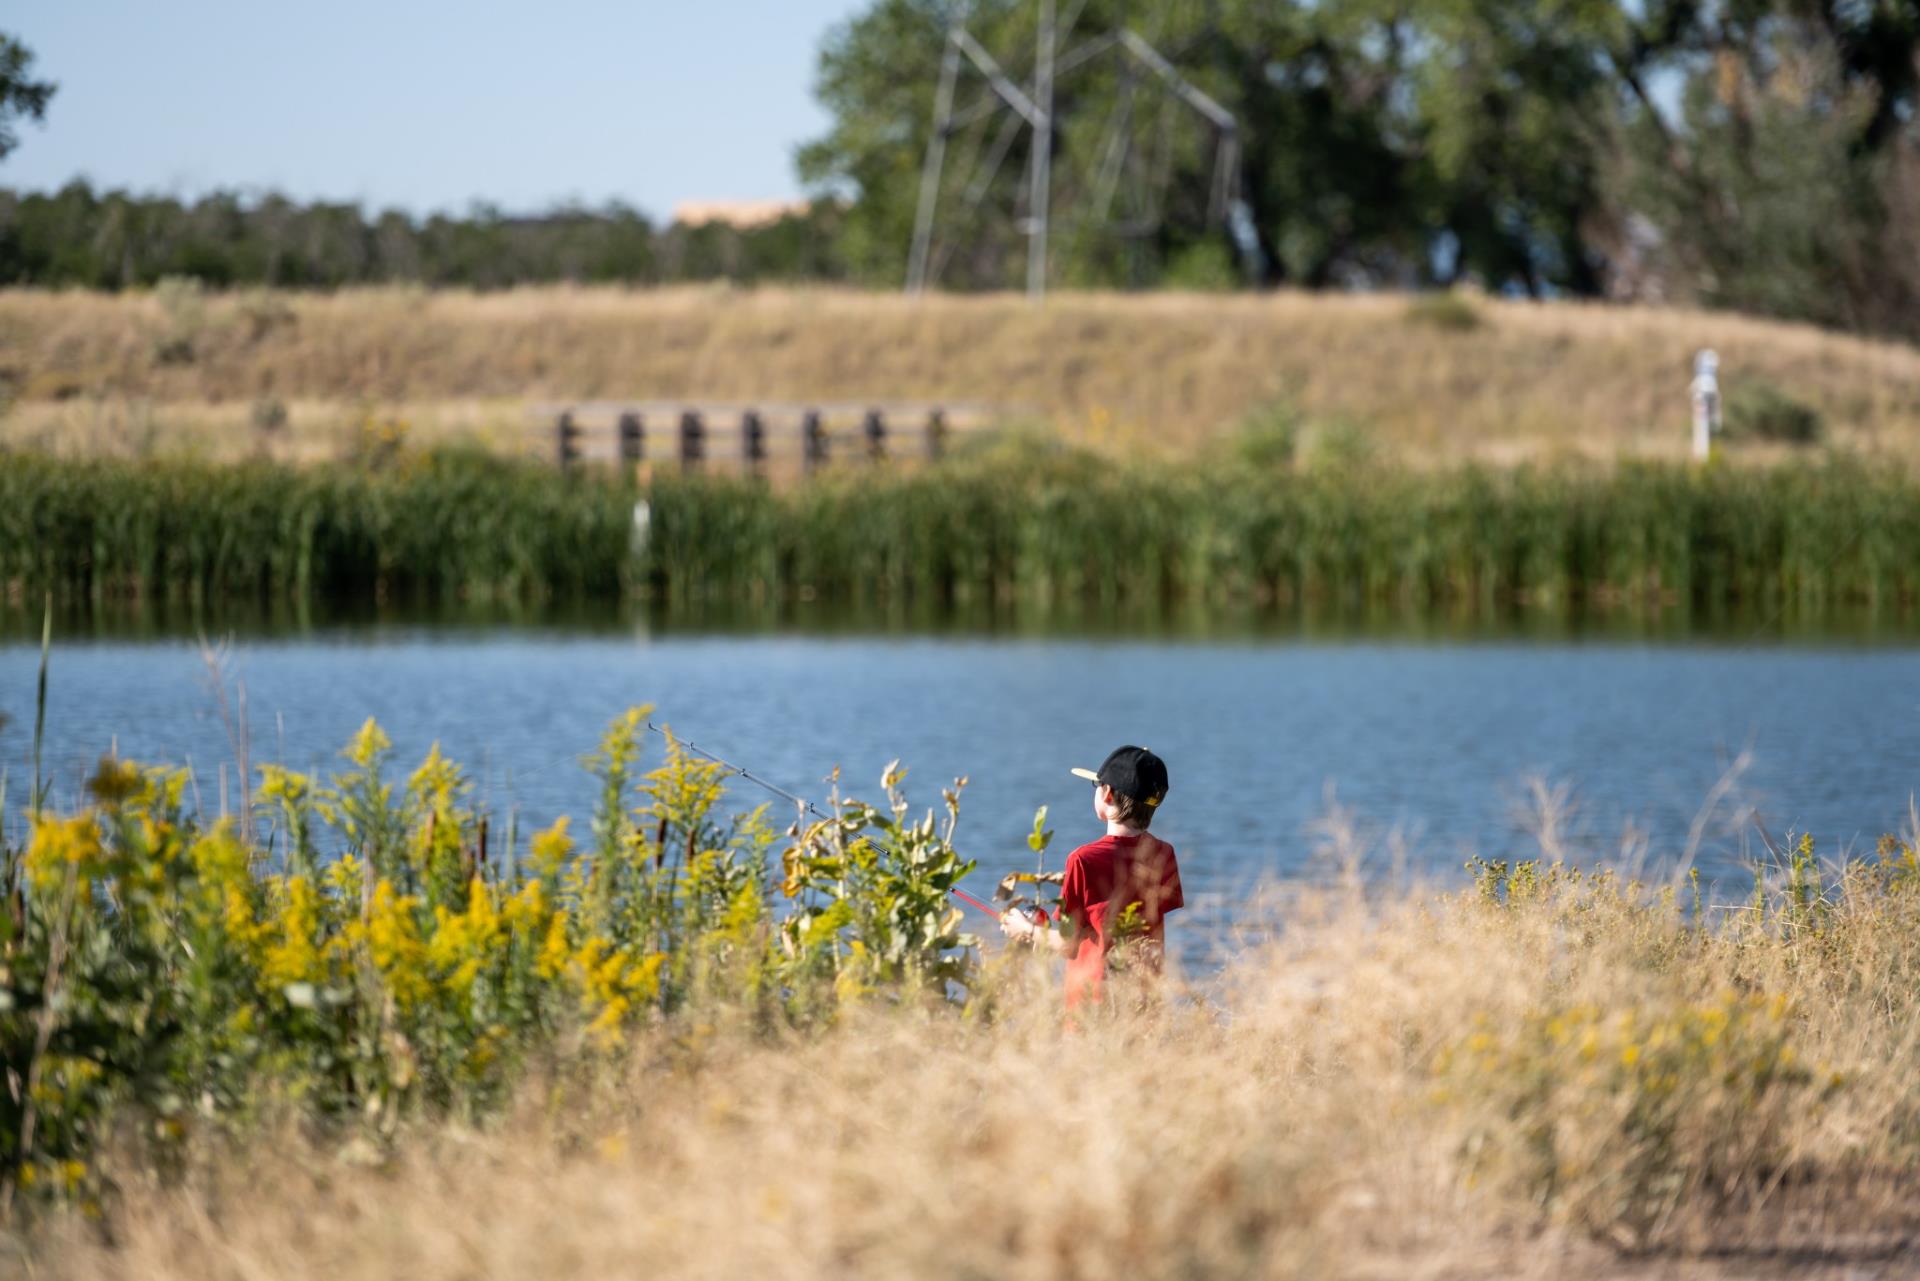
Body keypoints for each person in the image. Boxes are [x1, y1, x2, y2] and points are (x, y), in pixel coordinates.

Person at [1001, 745, 1184, 1006]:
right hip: (1144, 1001)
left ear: (1107, 794)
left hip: (1093, 1006)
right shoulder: (1164, 853)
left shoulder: (1083, 859)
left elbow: (1068, 943)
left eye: (1095, 786)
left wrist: (1026, 929)